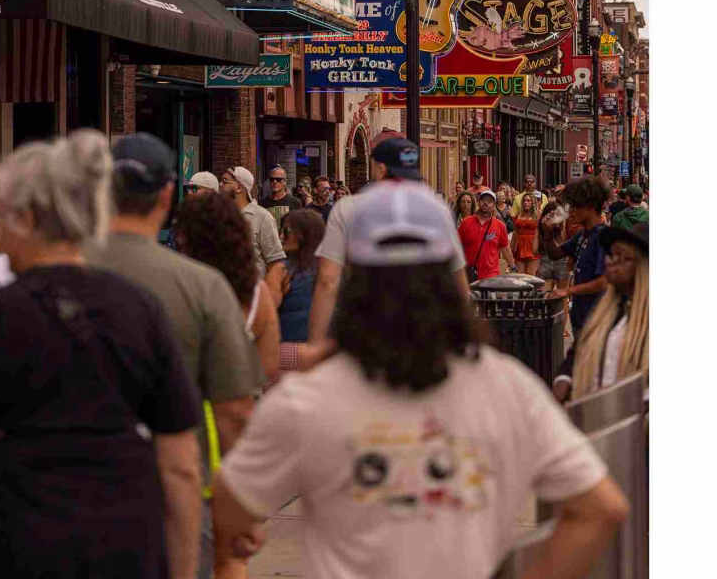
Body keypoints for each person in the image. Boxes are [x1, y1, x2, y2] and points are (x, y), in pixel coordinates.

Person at [213, 183, 628, 579]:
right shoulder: (505, 386)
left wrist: (241, 537)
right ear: (449, 280)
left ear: (356, 282)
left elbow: (231, 508)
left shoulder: (307, 400)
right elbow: (601, 507)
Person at [0, 130, 203, 579]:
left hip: (13, 543)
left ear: (26, 218)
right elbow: (181, 466)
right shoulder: (140, 309)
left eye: (1, 216)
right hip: (126, 542)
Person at [86, 134, 265, 579]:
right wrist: (242, 511)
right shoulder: (203, 287)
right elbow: (235, 413)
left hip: (60, 498)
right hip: (171, 498)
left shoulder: (56, 274)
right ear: (167, 195)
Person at [308, 137, 468, 343]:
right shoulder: (436, 208)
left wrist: (315, 343)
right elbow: (457, 277)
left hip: (364, 325)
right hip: (426, 328)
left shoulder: (348, 207)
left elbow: (328, 280)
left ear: (381, 169)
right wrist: (465, 337)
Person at [177, 191, 281, 383]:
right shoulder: (256, 293)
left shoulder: (177, 285)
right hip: (240, 398)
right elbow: (269, 364)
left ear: (185, 235)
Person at [554, 222, 649, 405]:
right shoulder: (604, 311)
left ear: (643, 267)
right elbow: (578, 350)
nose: (610, 261)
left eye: (622, 257)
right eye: (612, 254)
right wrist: (564, 379)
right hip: (591, 419)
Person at [541, 178, 611, 346]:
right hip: (582, 320)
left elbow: (604, 281)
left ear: (590, 206)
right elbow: (555, 254)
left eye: (575, 206)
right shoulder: (582, 235)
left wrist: (568, 291)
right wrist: (547, 232)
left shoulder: (603, 237)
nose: (570, 211)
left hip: (597, 321)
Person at [220, 167, 287, 307]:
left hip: (250, 300)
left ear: (239, 187)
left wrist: (271, 301)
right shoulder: (219, 215)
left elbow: (276, 261)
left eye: (225, 181)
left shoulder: (262, 217)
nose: (220, 185)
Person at [279, 209, 324, 345]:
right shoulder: (331, 269)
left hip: (286, 348)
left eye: (287, 231)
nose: (281, 236)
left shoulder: (281, 271)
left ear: (305, 234)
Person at [458, 189, 516, 281]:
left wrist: (513, 267)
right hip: (470, 274)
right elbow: (457, 246)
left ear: (494, 205)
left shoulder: (500, 225)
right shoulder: (466, 223)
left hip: (491, 275)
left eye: (489, 201)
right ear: (478, 202)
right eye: (483, 200)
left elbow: (505, 248)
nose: (485, 203)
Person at [259, 164, 302, 232]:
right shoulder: (261, 204)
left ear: (284, 182)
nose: (275, 182)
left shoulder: (295, 203)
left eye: (278, 179)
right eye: (272, 179)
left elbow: (299, 228)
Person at [511, 191, 542, 276]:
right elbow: (515, 232)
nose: (526, 202)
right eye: (524, 200)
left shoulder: (539, 214)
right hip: (520, 246)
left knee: (531, 275)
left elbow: (542, 231)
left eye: (528, 200)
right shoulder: (519, 214)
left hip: (533, 245)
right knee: (519, 275)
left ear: (533, 202)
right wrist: (511, 247)